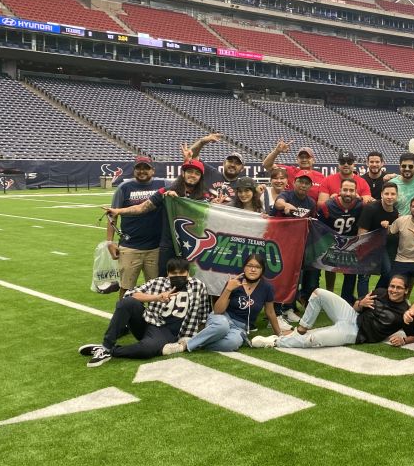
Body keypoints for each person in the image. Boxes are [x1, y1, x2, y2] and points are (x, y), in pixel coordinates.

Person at [78, 257, 211, 367]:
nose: (178, 276)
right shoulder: (159, 282)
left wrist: (194, 340)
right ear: (168, 273)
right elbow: (131, 294)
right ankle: (106, 346)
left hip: (167, 332)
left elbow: (203, 315)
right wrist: (157, 297)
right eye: (173, 273)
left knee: (146, 350)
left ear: (188, 273)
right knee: (127, 303)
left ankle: (109, 351)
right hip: (148, 322)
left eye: (181, 273)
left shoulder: (198, 286)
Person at [103, 159, 215, 274]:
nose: (193, 175)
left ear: (201, 177)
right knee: (164, 281)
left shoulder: (205, 196)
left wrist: (217, 205)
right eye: (190, 171)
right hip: (168, 246)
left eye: (197, 173)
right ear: (183, 173)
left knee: (192, 280)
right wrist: (119, 211)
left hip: (194, 246)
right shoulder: (166, 192)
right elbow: (142, 207)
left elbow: (212, 219)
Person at [255, 274, 414, 350]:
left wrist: (404, 340)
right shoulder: (381, 291)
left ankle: (276, 342)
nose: (394, 290)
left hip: (356, 333)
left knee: (314, 339)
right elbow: (356, 307)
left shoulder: (405, 311)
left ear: (406, 291)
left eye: (399, 288)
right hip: (351, 315)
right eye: (392, 286)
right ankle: (300, 330)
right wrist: (360, 303)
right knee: (318, 293)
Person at [165, 254, 288, 354]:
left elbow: (270, 312)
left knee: (232, 343)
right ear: (244, 267)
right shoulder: (234, 283)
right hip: (222, 318)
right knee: (222, 326)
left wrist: (279, 333)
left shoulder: (267, 288)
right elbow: (218, 310)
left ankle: (192, 341)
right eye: (249, 265)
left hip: (240, 327)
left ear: (262, 270)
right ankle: (183, 346)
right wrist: (228, 289)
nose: (253, 269)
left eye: (257, 267)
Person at [106, 155, 165, 297]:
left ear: (153, 170)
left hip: (156, 248)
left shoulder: (163, 184)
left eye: (146, 168)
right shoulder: (124, 187)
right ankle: (123, 317)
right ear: (134, 170)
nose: (142, 171)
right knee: (126, 288)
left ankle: (153, 318)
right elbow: (112, 214)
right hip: (130, 247)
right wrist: (109, 241)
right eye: (139, 168)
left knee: (156, 288)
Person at [272, 173, 319, 323]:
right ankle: (275, 312)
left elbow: (312, 222)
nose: (303, 185)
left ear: (310, 186)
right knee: (279, 278)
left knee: (294, 277)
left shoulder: (310, 202)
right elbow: (278, 203)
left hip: (298, 245)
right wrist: (285, 205)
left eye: (307, 183)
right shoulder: (287, 194)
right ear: (294, 182)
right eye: (301, 182)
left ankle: (288, 308)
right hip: (280, 243)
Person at [317, 178, 365, 302]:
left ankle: (347, 297)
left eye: (351, 190)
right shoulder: (328, 206)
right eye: (345, 190)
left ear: (356, 192)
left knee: (351, 272)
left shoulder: (361, 206)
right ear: (339, 191)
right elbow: (319, 227)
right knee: (329, 268)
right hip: (332, 242)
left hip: (351, 244)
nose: (348, 193)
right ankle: (330, 294)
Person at [356, 181, 399, 297]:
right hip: (366, 245)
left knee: (388, 273)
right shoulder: (371, 208)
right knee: (364, 276)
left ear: (397, 196)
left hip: (381, 247)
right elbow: (362, 232)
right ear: (381, 194)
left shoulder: (395, 213)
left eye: (393, 194)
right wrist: (363, 250)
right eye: (387, 194)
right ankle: (362, 303)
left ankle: (375, 296)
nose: (389, 197)